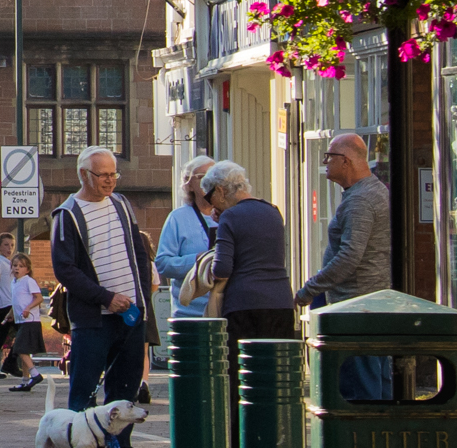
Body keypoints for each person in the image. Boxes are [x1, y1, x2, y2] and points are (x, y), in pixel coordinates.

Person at [50, 148, 156, 448]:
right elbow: (65, 270)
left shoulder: (122, 205)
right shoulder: (66, 215)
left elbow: (138, 254)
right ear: (84, 175)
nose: (109, 181)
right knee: (84, 390)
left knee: (125, 388)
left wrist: (141, 301)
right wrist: (105, 297)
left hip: (130, 315)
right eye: (102, 175)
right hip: (94, 319)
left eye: (113, 175)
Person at [301, 133, 392, 401]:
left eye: (329, 157)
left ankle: (362, 440)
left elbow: (350, 255)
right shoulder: (370, 191)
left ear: (346, 161)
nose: (325, 162)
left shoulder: (360, 200)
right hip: (370, 303)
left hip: (356, 306)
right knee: (374, 381)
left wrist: (311, 288)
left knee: (359, 390)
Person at [201, 160, 296, 354]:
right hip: (281, 301)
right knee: (274, 371)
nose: (210, 204)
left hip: (244, 304)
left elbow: (222, 269)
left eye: (210, 197)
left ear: (220, 190)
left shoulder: (230, 217)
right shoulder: (273, 211)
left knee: (244, 374)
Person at [155, 156, 219, 330]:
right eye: (201, 176)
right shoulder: (178, 218)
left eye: (213, 175)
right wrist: (198, 260)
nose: (208, 181)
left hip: (224, 313)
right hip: (190, 315)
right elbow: (162, 263)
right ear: (189, 184)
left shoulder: (230, 216)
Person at [4, 262, 45, 390]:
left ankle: (35, 374)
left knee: (20, 348)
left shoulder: (28, 281)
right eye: (15, 265)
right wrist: (10, 314)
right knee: (24, 351)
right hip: (20, 320)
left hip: (30, 320)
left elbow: (38, 298)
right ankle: (25, 382)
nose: (17, 268)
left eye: (21, 266)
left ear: (27, 270)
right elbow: (15, 301)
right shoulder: (14, 283)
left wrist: (28, 308)